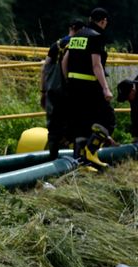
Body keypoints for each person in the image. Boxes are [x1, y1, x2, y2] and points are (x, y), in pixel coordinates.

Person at [61, 7, 114, 168]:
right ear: (103, 21)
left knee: (81, 125)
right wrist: (105, 88)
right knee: (108, 120)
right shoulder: (96, 37)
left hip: (73, 86)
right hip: (90, 86)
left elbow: (65, 61)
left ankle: (80, 162)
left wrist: (68, 81)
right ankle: (91, 152)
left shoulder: (77, 36)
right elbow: (96, 65)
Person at [40, 19, 84, 159]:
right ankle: (74, 158)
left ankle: (53, 158)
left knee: (54, 126)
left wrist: (43, 91)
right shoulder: (80, 45)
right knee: (75, 125)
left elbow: (45, 68)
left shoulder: (56, 45)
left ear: (70, 28)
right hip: (72, 91)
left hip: (54, 91)